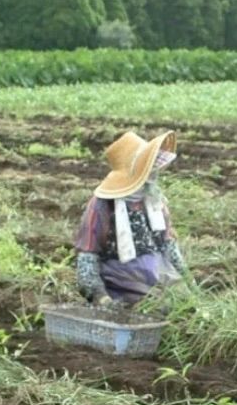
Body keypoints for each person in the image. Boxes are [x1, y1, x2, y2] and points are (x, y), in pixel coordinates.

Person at [73, 129, 189, 306]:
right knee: (157, 307)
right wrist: (101, 297)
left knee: (185, 306)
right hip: (122, 283)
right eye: (147, 171)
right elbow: (87, 258)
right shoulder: (102, 206)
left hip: (159, 274)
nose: (152, 176)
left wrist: (190, 284)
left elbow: (169, 246)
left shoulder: (155, 201)